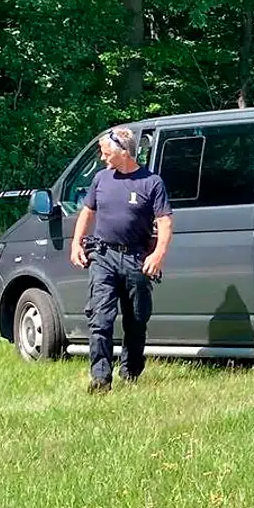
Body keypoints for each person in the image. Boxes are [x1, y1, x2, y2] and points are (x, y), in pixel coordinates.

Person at [70, 127, 173, 393]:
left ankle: (131, 373)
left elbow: (164, 222)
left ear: (124, 152)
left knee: (136, 320)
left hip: (136, 258)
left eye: (107, 154)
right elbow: (86, 213)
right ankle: (100, 378)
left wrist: (158, 254)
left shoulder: (151, 183)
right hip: (103, 256)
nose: (104, 160)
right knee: (100, 319)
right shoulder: (101, 179)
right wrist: (75, 243)